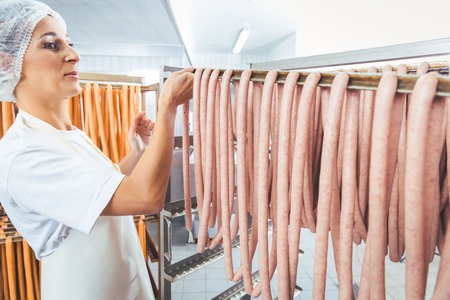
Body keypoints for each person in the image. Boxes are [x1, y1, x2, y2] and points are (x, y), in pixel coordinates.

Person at [0, 0, 194, 299]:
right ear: (5, 63)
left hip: (124, 284)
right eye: (52, 45)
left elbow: (98, 193)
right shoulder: (22, 156)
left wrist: (136, 153)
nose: (74, 56)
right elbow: (145, 199)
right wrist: (167, 106)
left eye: (70, 43)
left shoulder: (66, 135)